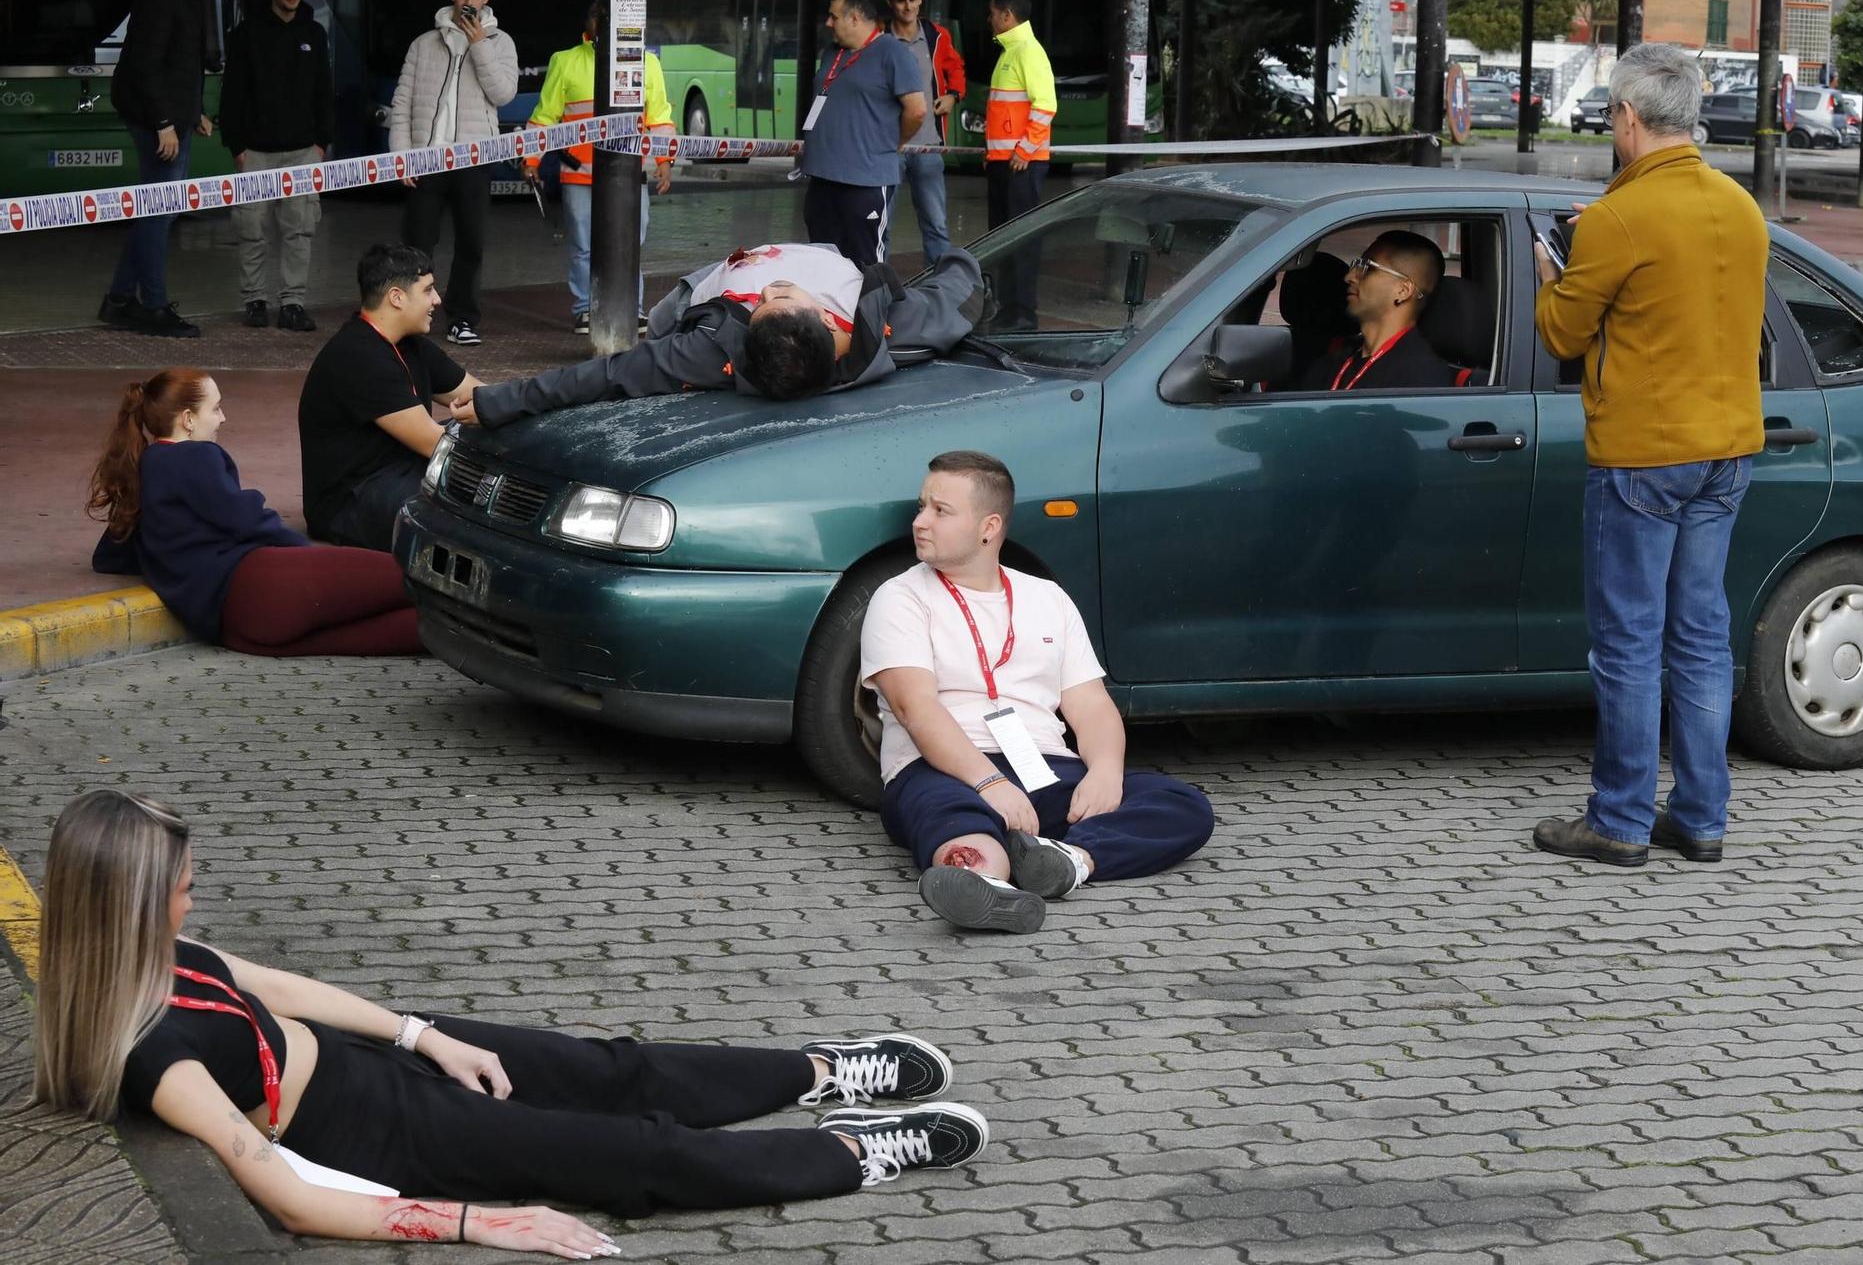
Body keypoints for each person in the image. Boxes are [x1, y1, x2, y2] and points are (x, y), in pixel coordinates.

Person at [31, 791, 990, 1257]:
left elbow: (280, 985)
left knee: (614, 1068)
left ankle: (819, 1072)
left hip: (382, 1064)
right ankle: (850, 1155)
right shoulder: (157, 1057)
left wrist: (420, 1033)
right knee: (626, 1156)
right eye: (185, 890)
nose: (196, 905)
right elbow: (285, 1195)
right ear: (128, 904)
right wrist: (491, 1224)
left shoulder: (163, 956)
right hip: (388, 1133)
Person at [1530, 42, 1768, 869]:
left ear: (1627, 118)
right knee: (1701, 633)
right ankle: (1701, 815)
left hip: (1641, 455)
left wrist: (1545, 273)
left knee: (1628, 639)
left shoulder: (1616, 218)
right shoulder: (1742, 207)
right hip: (1728, 448)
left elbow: (1563, 330)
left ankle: (1621, 818)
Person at [860, 451, 1215, 934]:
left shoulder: (1046, 597)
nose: (921, 522)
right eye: (922, 507)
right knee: (951, 812)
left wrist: (1106, 774)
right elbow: (914, 706)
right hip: (940, 766)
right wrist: (990, 784)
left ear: (989, 527)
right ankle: (982, 882)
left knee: (1181, 803)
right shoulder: (900, 597)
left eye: (940, 511)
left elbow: (1089, 703)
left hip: (1042, 767)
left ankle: (1067, 862)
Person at [87, 370, 423, 658]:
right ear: (187, 419)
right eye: (215, 408)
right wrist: (309, 556)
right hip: (266, 583)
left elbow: (109, 556)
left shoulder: (141, 470)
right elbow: (246, 519)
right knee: (420, 579)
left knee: (418, 632)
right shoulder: (195, 456)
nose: (222, 418)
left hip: (236, 628)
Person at [456, 242, 980, 426]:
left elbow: (608, 375)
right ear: (825, 319)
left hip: (702, 291)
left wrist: (497, 402)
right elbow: (961, 282)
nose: (769, 291)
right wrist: (963, 257)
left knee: (657, 329)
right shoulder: (901, 328)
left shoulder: (705, 349)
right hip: (814, 254)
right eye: (778, 297)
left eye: (766, 302)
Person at [299, 245, 482, 552]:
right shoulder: (358, 355)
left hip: (400, 472)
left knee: (478, 439)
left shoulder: (410, 344)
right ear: (397, 297)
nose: (438, 300)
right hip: (349, 501)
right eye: (428, 290)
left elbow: (482, 397)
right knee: (472, 516)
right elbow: (435, 444)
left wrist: (521, 410)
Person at [524, 0, 675, 335]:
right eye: (596, 16)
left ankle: (631, 308)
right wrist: (531, 160)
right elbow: (545, 116)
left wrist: (665, 161)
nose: (603, 24)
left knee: (630, 242)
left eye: (609, 19)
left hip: (628, 173)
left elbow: (659, 116)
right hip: (579, 172)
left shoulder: (647, 63)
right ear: (587, 20)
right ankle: (584, 309)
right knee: (583, 244)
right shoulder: (565, 61)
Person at [388, 0, 519, 347]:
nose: (469, 2)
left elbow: (503, 94)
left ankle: (462, 319)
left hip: (474, 159)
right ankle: (408, 320)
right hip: (427, 159)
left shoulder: (501, 43)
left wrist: (479, 44)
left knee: (471, 243)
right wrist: (402, 156)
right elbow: (403, 102)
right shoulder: (423, 43)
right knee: (416, 245)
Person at [100, 0, 214, 340]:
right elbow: (147, 64)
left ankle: (118, 300)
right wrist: (165, 121)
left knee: (155, 211)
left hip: (169, 115)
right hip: (154, 119)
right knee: (159, 212)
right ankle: (152, 305)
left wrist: (193, 111)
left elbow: (180, 62)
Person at [219, 0, 335, 333]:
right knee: (250, 228)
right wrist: (236, 145)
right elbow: (232, 93)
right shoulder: (247, 34)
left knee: (300, 229)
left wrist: (321, 142)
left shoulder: (314, 34)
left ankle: (293, 304)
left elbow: (324, 92)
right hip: (255, 149)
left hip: (303, 149)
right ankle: (254, 300)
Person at [799, 0, 928, 270]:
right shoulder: (833, 53)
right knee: (821, 260)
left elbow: (917, 110)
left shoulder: (892, 52)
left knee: (865, 261)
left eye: (834, 17)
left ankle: (871, 314)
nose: (828, 24)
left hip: (865, 180)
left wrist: (894, 141)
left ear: (855, 18)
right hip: (822, 178)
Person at [1289, 232, 1459, 391]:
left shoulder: (1420, 380)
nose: (1349, 276)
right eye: (1356, 264)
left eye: (1367, 268)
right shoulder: (1332, 362)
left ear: (1403, 290)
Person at [981, 0, 1057, 330]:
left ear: (1007, 15)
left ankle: (1022, 314)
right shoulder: (1012, 51)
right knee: (1004, 238)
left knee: (1020, 240)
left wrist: (1024, 150)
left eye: (993, 13)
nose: (990, 19)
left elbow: (1046, 105)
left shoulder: (1027, 51)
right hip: (1006, 162)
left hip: (1020, 164)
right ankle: (1010, 310)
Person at [882, 0, 966, 266]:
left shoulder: (937, 35)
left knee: (937, 223)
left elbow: (955, 67)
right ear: (890, 3)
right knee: (881, 225)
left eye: (912, 0)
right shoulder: (879, 38)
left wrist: (954, 95)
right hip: (887, 147)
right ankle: (877, 287)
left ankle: (941, 286)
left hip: (929, 145)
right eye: (901, 1)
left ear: (921, 0)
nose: (908, 7)